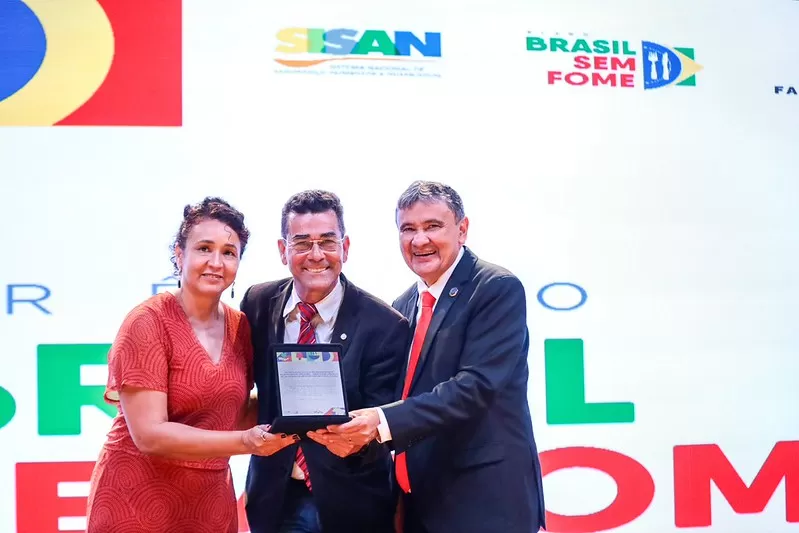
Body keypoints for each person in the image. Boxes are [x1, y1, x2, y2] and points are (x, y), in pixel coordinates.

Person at [318, 181, 547, 533]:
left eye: (433, 226)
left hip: (485, 502)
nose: (419, 240)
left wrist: (379, 421)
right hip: (420, 504)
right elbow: (394, 393)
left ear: (462, 229)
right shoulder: (402, 305)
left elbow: (475, 387)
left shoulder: (495, 288)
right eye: (408, 229)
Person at [86, 197, 297, 533]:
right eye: (204, 248)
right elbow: (150, 435)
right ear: (179, 254)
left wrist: (303, 403)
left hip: (210, 506)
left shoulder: (241, 327)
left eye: (229, 252)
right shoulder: (147, 322)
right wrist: (246, 442)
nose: (216, 262)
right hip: (137, 504)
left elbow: (231, 412)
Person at [240, 190, 409, 533]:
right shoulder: (258, 302)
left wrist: (351, 437)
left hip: (352, 504)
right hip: (274, 499)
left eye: (327, 242)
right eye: (302, 243)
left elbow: (382, 424)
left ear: (345, 248)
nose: (316, 255)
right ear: (283, 250)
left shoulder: (385, 325)